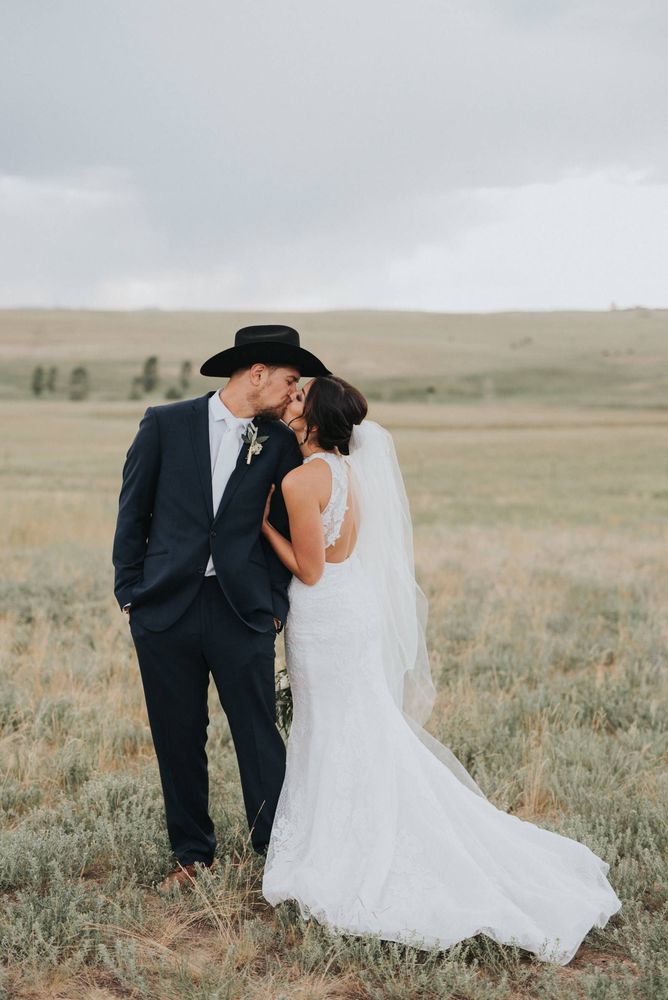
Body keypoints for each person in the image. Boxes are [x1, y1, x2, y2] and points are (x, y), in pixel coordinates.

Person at [260, 374, 622, 965]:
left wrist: (263, 526)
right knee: (356, 726)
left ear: (314, 420)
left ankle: (341, 849)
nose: (289, 400)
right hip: (354, 611)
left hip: (324, 617)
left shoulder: (303, 480)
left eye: (299, 397)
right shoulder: (348, 471)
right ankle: (351, 831)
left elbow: (311, 569)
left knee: (331, 727)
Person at [112, 325, 329, 890]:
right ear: (257, 373)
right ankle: (192, 856)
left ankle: (277, 855)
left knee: (258, 733)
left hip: (242, 609)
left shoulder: (277, 441)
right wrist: (131, 594)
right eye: (289, 380)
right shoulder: (165, 423)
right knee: (177, 735)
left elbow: (282, 526)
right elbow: (132, 512)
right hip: (165, 609)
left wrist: (274, 605)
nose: (293, 392)